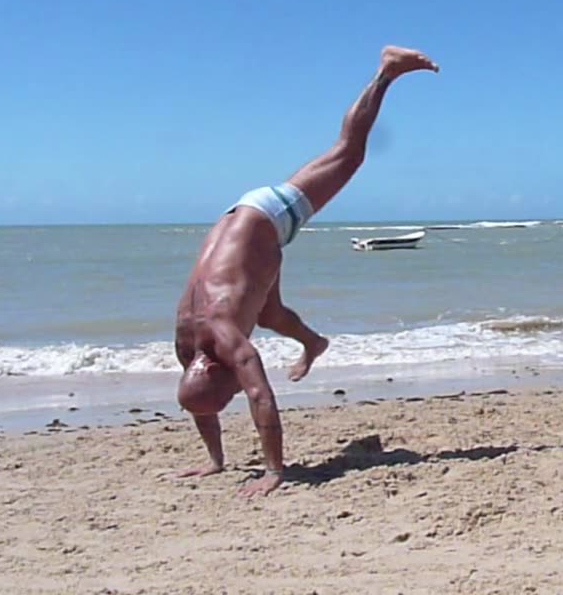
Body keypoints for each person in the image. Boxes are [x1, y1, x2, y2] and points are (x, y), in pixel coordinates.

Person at [173, 46, 438, 497]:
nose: (237, 392)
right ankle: (313, 343)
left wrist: (274, 471)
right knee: (270, 316)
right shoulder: (186, 345)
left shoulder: (222, 337)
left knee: (348, 153)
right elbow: (202, 406)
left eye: (229, 391)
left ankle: (386, 73)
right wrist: (215, 462)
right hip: (248, 236)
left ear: (218, 369)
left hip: (266, 217)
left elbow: (260, 395)